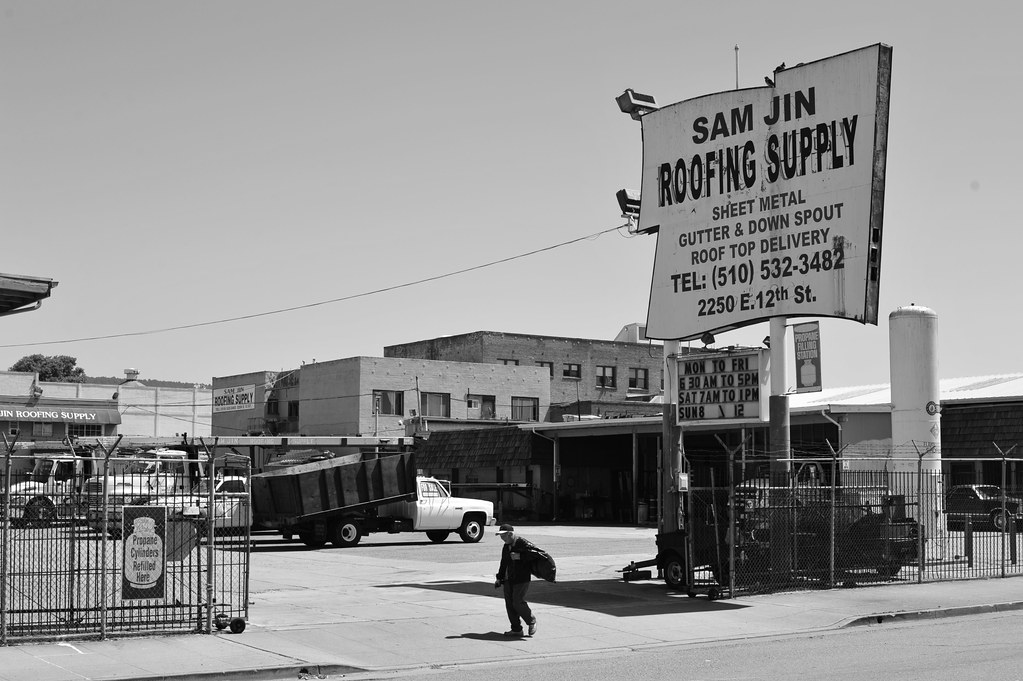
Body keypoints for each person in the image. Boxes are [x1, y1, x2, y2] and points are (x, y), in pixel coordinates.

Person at [494, 523, 538, 637]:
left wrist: (520, 557)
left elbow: (536, 556)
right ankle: (516, 629)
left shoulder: (522, 543)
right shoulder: (506, 546)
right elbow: (503, 563)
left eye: (504, 535)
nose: (502, 538)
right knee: (509, 605)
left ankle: (531, 621)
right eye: (501, 536)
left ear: (510, 534)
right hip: (508, 579)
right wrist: (499, 578)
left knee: (517, 602)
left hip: (521, 578)